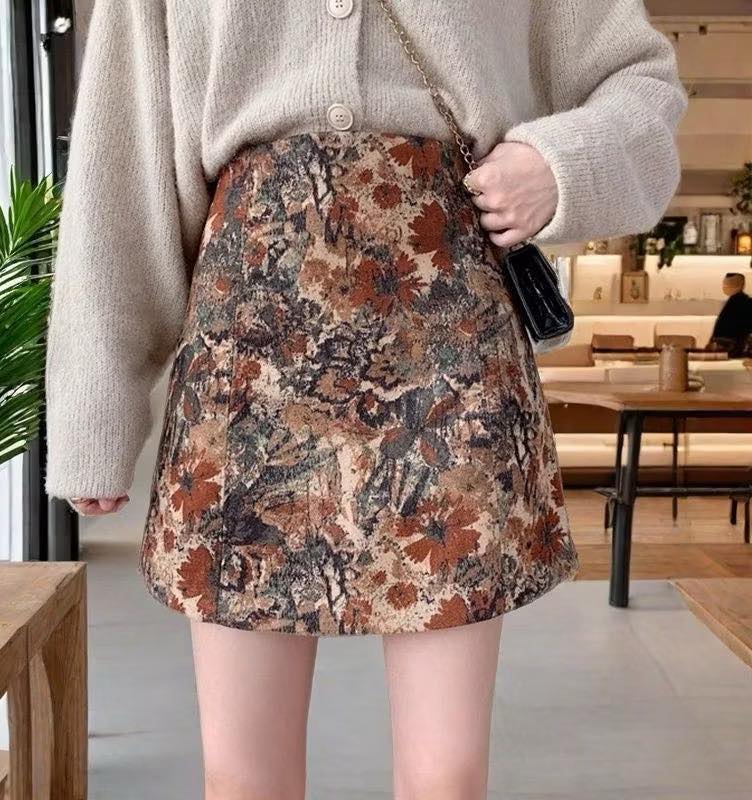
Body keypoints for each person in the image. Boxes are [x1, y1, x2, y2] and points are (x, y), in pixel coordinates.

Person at [43, 1, 686, 797]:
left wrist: (560, 165)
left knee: (447, 778)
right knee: (244, 778)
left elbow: (640, 80)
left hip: (446, 346)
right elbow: (122, 159)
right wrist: (95, 411)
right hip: (251, 355)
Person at [709, 273, 752, 357]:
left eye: (726, 285)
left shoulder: (740, 302)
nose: (724, 287)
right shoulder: (738, 301)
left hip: (730, 347)